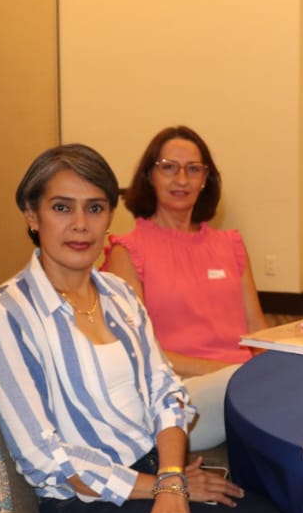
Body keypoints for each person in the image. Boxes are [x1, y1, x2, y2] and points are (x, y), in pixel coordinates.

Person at [0, 144, 295, 513]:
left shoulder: (119, 294)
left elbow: (165, 394)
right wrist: (164, 488)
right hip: (87, 511)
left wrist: (170, 476)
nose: (80, 225)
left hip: (153, 476)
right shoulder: (9, 313)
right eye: (62, 208)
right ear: (31, 215)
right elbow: (48, 459)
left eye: (95, 208)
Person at [104, 125, 265, 451]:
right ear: (149, 176)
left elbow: (258, 330)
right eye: (168, 168)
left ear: (205, 179)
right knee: (254, 392)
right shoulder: (127, 252)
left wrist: (273, 369)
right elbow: (139, 353)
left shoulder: (230, 244)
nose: (182, 179)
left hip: (241, 381)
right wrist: (231, 372)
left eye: (193, 169)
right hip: (177, 393)